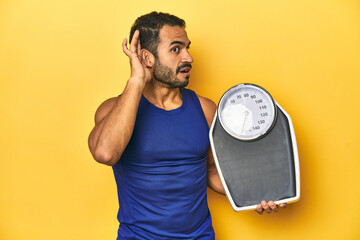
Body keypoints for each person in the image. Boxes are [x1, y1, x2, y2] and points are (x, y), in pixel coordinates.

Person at [88, 11, 286, 239]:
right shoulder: (112, 110)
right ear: (147, 58)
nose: (189, 58)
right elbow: (104, 153)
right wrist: (136, 81)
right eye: (176, 49)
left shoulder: (205, 108)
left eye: (187, 48)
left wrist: (258, 193)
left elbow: (212, 171)